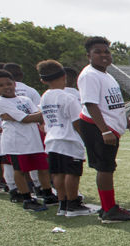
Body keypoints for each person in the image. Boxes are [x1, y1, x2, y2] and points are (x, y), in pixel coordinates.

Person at [76, 36, 130, 223]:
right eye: (98, 52)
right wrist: (104, 130)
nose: (104, 55)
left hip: (110, 126)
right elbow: (90, 104)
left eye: (106, 51)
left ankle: (109, 206)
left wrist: (128, 123)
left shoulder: (107, 75)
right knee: (105, 168)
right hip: (98, 127)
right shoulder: (89, 75)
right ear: (88, 55)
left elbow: (115, 105)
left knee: (108, 167)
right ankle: (108, 209)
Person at [0, 69, 55, 211]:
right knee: (20, 170)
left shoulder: (25, 99)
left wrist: (25, 117)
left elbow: (33, 116)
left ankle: (47, 194)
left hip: (33, 139)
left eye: (9, 83)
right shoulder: (0, 102)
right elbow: (26, 118)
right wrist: (44, 113)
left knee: (43, 167)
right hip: (16, 142)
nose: (6, 87)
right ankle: (26, 198)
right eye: (1, 85)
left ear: (14, 83)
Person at [37, 60, 93, 217]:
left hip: (52, 139)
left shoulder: (45, 97)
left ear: (43, 80)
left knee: (58, 173)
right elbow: (77, 122)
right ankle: (73, 204)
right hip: (69, 139)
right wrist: (87, 140)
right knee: (72, 173)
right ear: (64, 76)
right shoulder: (68, 98)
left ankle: (62, 204)